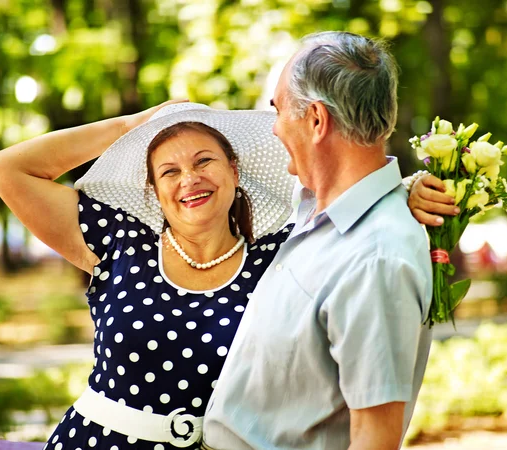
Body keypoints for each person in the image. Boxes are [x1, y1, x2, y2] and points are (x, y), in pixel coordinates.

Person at [0, 98, 452, 448]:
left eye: (203, 161)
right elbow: (8, 168)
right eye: (168, 171)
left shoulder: (285, 252)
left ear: (234, 170)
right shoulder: (119, 241)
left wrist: (401, 194)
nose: (189, 179)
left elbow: (349, 213)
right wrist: (135, 125)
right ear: (154, 190)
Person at [201, 32, 451, 450]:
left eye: (278, 110)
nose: (276, 128)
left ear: (316, 120)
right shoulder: (312, 213)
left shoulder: (376, 257)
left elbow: (374, 438)